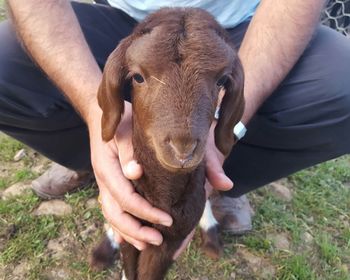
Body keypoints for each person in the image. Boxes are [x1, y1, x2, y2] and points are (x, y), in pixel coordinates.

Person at [1, 0, 349, 253]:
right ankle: (106, 164)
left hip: (246, 27)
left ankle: (218, 180)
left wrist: (229, 126)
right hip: (126, 21)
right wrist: (97, 114)